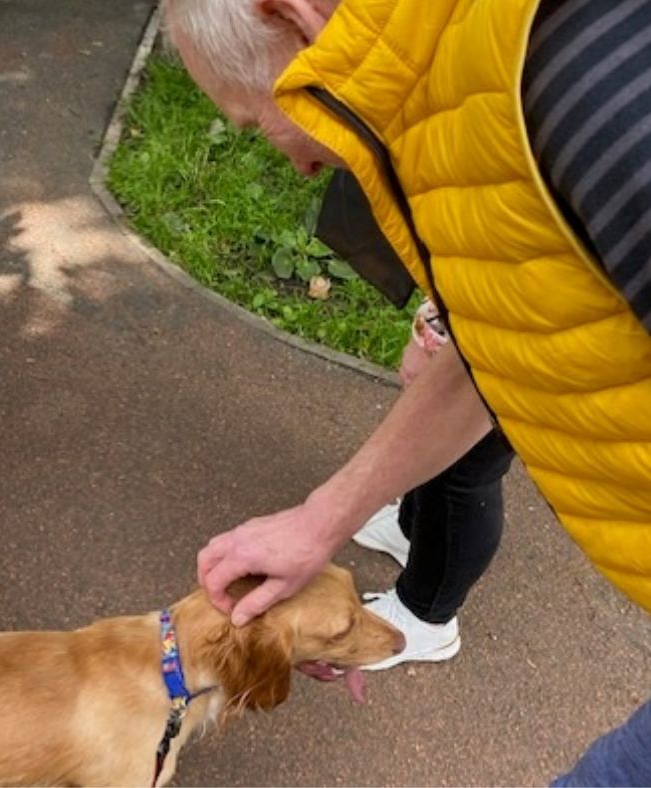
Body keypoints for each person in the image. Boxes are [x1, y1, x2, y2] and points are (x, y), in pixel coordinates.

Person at [162, 0, 651, 783]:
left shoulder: (585, 78)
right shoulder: (459, 102)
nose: (294, 162)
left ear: (295, 18)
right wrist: (322, 521)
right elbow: (497, 345)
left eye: (263, 120)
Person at [351, 299, 514, 670]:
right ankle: (410, 529)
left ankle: (426, 616)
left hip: (520, 333)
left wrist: (432, 339)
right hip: (498, 317)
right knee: (438, 446)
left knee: (465, 469)